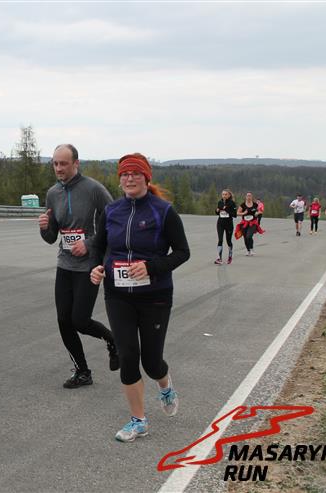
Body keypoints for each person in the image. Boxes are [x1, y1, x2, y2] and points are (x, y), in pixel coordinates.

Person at [90, 153, 190, 442]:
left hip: (154, 296)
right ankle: (138, 420)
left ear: (146, 178)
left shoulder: (163, 211)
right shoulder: (111, 211)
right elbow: (98, 246)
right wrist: (96, 267)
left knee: (152, 361)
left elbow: (182, 252)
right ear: (119, 179)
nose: (129, 178)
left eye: (135, 173)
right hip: (117, 295)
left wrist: (151, 267)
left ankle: (165, 384)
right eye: (124, 174)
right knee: (128, 355)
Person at [39, 144, 118, 389]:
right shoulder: (53, 193)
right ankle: (82, 371)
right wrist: (44, 228)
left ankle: (113, 340)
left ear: (76, 163)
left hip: (89, 266)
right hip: (65, 264)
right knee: (64, 321)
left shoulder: (94, 189)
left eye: (63, 163)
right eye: (55, 164)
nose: (59, 168)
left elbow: (115, 222)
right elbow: (51, 237)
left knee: (80, 321)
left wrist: (89, 243)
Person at [214, 189, 237, 265]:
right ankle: (219, 258)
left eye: (225, 194)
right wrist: (217, 211)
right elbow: (218, 212)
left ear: (229, 195)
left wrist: (226, 209)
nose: (224, 196)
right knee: (220, 240)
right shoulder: (220, 202)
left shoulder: (232, 203)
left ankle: (230, 256)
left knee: (228, 241)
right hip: (220, 223)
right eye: (223, 194)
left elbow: (234, 215)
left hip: (228, 224)